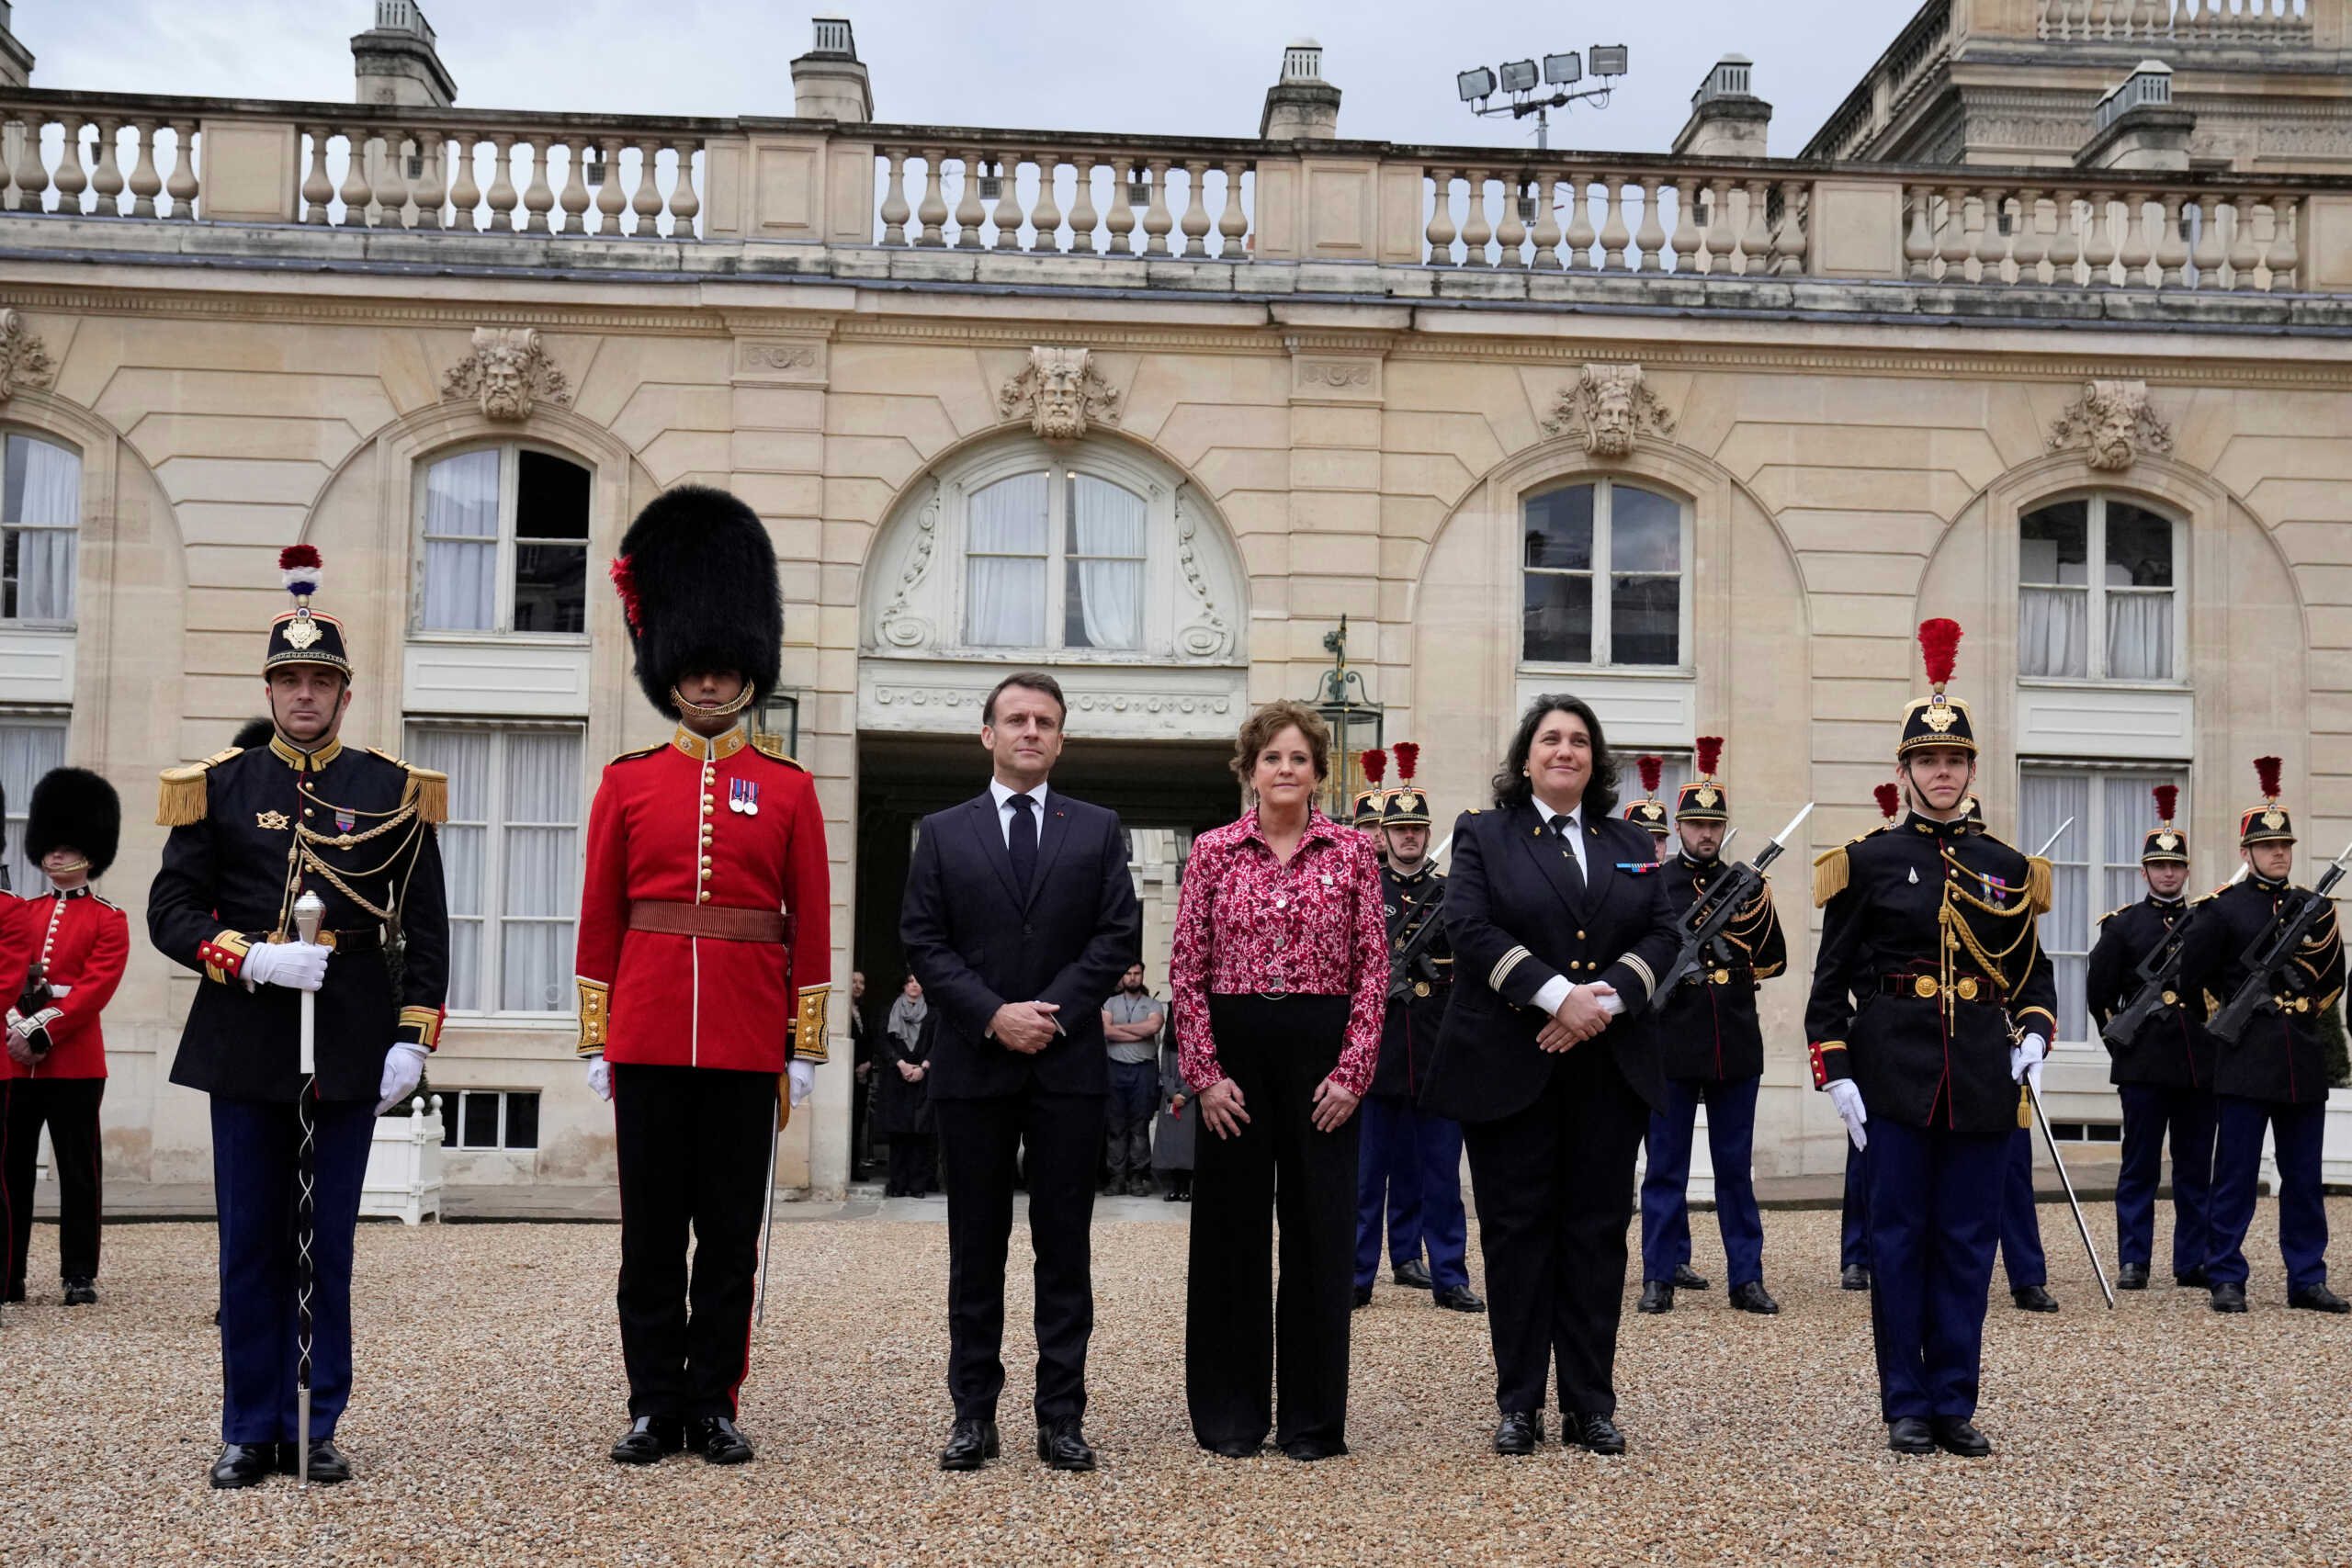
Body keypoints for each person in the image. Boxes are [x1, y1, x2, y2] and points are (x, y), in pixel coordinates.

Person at [147, 545, 449, 1488]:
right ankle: (250, 1423)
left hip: (351, 1035)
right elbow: (170, 911)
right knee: (249, 1242)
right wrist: (245, 956)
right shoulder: (220, 785)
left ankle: (316, 1419)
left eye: (321, 680)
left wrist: (412, 1035)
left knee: (327, 1246)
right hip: (247, 1035)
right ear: (270, 689)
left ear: (345, 695)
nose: (305, 695)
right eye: (290, 679)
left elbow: (427, 928)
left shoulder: (389, 789)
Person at [575, 486, 832, 1468]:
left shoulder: (791, 788)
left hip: (741, 1039)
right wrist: (598, 1034)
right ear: (668, 668)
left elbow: (808, 922)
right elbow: (601, 915)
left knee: (728, 1242)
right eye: (694, 663)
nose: (711, 680)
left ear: (747, 670)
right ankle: (651, 1403)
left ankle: (713, 1400)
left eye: (725, 665)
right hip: (645, 1031)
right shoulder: (627, 782)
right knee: (651, 1241)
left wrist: (801, 1046)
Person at [1804, 619, 2056, 1459]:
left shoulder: (2008, 866)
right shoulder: (1867, 862)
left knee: (1965, 1246)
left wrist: (2034, 1033)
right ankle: (1904, 1401)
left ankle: (1955, 1399)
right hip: (1892, 1076)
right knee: (1898, 1242)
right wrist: (1835, 1069)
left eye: (1954, 761)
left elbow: (2034, 974)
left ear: (1971, 769)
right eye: (1927, 761)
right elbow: (1827, 982)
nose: (1941, 774)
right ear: (1904, 770)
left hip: (1982, 1078)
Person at [1422, 694, 1680, 1459]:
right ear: (1526, 756)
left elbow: (1668, 930)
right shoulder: (1484, 833)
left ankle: (1590, 1403)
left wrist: (1606, 998)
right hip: (1510, 1065)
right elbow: (1467, 927)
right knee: (1515, 1236)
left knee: (1599, 1236)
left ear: (1595, 759)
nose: (1564, 750)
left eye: (1578, 740)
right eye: (1550, 739)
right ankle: (1520, 1403)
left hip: (1607, 1066)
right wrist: (1557, 995)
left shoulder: (1634, 837)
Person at [899, 671, 1142, 1473]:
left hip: (1067, 1069)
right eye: (1016, 719)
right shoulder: (942, 830)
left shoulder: (1100, 828)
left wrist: (1052, 1012)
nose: (1030, 730)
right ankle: (973, 1414)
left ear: (1061, 738)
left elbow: (1115, 937)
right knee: (977, 1249)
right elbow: (923, 942)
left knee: (1063, 1249)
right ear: (987, 735)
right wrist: (993, 1014)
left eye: (1044, 720)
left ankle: (1060, 1416)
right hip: (973, 1069)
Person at [1171, 700, 1385, 1461]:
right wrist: (1204, 1075)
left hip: (1323, 1055)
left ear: (1319, 773)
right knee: (1229, 1236)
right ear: (1250, 770)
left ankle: (1311, 1420)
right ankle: (1230, 1416)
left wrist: (1354, 1071)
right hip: (1235, 1056)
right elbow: (1186, 970)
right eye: (1272, 758)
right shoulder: (1213, 853)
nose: (1285, 769)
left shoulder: (1355, 853)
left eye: (1299, 758)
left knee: (1320, 1236)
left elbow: (1373, 973)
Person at [2181, 756, 2347, 1314]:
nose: (2279, 853)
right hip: (2246, 1056)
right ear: (2246, 852)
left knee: (2303, 1179)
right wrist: (2229, 1021)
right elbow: (2192, 978)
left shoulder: (2314, 908)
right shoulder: (2223, 910)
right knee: (2234, 1176)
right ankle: (2226, 1273)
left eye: (2285, 846)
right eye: (2267, 846)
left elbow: (2334, 979)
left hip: (2300, 1054)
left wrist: (2297, 1006)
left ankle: (2307, 1277)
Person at [1636, 738, 1788, 1317]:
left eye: (1713, 824)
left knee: (1734, 1171)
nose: (1705, 834)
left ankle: (1745, 1277)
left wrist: (1729, 950)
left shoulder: (1750, 888)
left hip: (1734, 1045)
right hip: (1672, 1042)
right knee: (1665, 1171)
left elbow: (1773, 958)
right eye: (1696, 824)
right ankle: (1658, 1276)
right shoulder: (1656, 885)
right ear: (1678, 828)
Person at [1353, 741, 1483, 1314]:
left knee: (1439, 1179)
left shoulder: (1452, 894)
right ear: (1385, 833)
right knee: (1364, 1179)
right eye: (1399, 830)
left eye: (1417, 830)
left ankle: (1449, 1274)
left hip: (1436, 1052)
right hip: (1376, 1053)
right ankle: (1356, 1275)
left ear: (1427, 834)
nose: (1408, 837)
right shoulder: (1366, 891)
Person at [2, 768, 128, 1308]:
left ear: (91, 854)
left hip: (74, 1058)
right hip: (15, 1059)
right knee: (11, 1173)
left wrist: (39, 1028)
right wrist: (13, 1023)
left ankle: (79, 1273)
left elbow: (95, 989)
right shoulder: (20, 912)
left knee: (79, 1170)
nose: (55, 858)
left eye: (67, 848)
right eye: (49, 848)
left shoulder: (110, 919)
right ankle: (10, 1274)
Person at [2086, 784, 2217, 1292]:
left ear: (2186, 870)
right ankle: (2133, 1260)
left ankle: (2192, 1261)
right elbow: (2098, 993)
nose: (2168, 873)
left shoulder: (2207, 920)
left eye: (2176, 866)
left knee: (2193, 1168)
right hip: (2142, 1064)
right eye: (2159, 866)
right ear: (2144, 871)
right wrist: (2119, 1041)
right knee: (2138, 1166)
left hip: (2197, 1061)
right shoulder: (2122, 927)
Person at [1838, 787, 1902, 1292]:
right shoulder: (1871, 867)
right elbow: (1847, 955)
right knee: (1865, 1153)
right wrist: (1876, 998)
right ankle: (1857, 1254)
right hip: (1877, 1028)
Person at [1102, 963, 1167, 1197]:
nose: (1132, 977)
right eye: (1128, 973)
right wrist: (1137, 1031)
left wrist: (1120, 1029)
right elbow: (1105, 1031)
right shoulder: (1110, 1003)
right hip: (1114, 1069)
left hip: (1143, 1071)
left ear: (1142, 975)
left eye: (1136, 973)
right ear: (1122, 976)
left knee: (1139, 1126)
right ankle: (1116, 1178)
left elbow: (1153, 1027)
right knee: (1116, 1127)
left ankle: (1137, 1177)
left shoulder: (1153, 1004)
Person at [878, 976, 937, 1197]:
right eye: (910, 981)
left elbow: (937, 1045)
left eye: (919, 981)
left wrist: (923, 1068)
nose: (914, 985)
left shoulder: (933, 1014)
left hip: (923, 1080)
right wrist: (901, 1064)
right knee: (899, 1136)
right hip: (896, 1080)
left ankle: (917, 1186)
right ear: (903, 985)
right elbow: (881, 1042)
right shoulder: (889, 1011)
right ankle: (898, 1184)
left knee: (920, 1136)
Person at [1155, 1008, 1196, 1202]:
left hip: (1190, 1100)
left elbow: (1199, 1071)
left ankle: (1184, 1186)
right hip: (1170, 1100)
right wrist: (1173, 1093)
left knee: (1186, 1146)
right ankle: (1172, 1186)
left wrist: (1184, 1094)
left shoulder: (1197, 1039)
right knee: (1170, 1144)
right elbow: (1164, 1072)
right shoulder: (1168, 1042)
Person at [850, 970, 876, 1181]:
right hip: (847, 1076)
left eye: (861, 982)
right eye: (854, 982)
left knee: (858, 1121)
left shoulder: (865, 1012)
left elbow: (871, 1041)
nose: (858, 986)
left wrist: (868, 1063)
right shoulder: (841, 1012)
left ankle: (855, 1166)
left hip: (862, 1076)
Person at [1623, 755, 1672, 863]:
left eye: (1660, 840)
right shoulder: (1613, 878)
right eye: (1644, 839)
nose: (1655, 849)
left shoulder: (1673, 878)